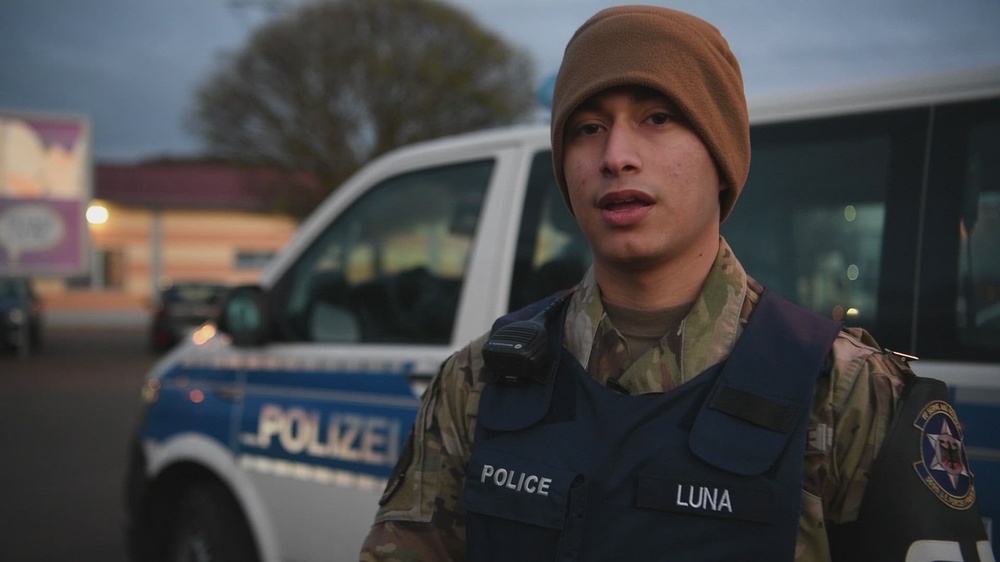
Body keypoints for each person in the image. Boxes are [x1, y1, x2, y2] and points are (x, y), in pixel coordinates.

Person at [360, 5, 992, 561]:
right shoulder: (477, 384)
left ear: (721, 156)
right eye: (588, 127)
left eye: (658, 117)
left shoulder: (851, 396)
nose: (615, 156)